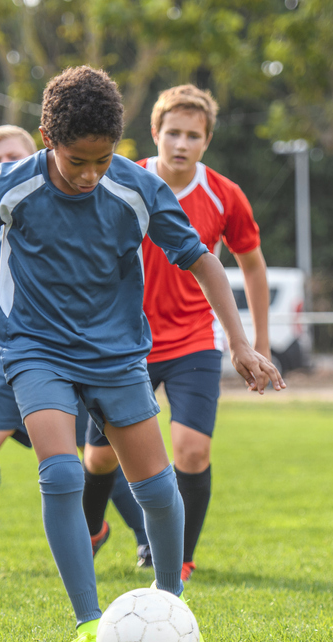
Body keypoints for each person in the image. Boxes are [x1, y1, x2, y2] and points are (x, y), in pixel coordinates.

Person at [0, 66, 283, 642]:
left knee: (158, 489)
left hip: (118, 355)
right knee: (62, 471)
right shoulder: (9, 185)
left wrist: (240, 343)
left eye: (103, 160)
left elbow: (203, 261)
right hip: (35, 349)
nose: (90, 174)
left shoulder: (138, 188)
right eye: (77, 161)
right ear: (48, 138)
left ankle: (172, 607)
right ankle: (88, 628)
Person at [0, 124, 148, 572]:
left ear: (40, 154)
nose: (3, 167)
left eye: (12, 157)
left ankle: (147, 540)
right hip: (5, 352)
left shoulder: (63, 202)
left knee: (94, 456)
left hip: (65, 352)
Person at [79, 84, 271, 582]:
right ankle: (93, 530)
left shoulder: (225, 195)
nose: (182, 144)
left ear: (207, 140)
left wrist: (257, 342)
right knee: (99, 459)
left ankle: (179, 560)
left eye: (193, 135)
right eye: (173, 133)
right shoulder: (118, 178)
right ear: (155, 132)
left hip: (194, 341)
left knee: (192, 449)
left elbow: (252, 266)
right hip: (124, 343)